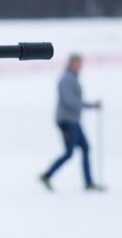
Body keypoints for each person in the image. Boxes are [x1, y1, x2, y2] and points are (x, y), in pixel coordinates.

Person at [39, 53, 103, 192]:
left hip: (73, 121)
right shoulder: (66, 79)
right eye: (78, 63)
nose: (80, 66)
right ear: (71, 63)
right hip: (67, 121)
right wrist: (91, 105)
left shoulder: (73, 78)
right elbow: (70, 101)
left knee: (85, 148)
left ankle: (88, 182)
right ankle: (46, 175)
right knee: (69, 153)